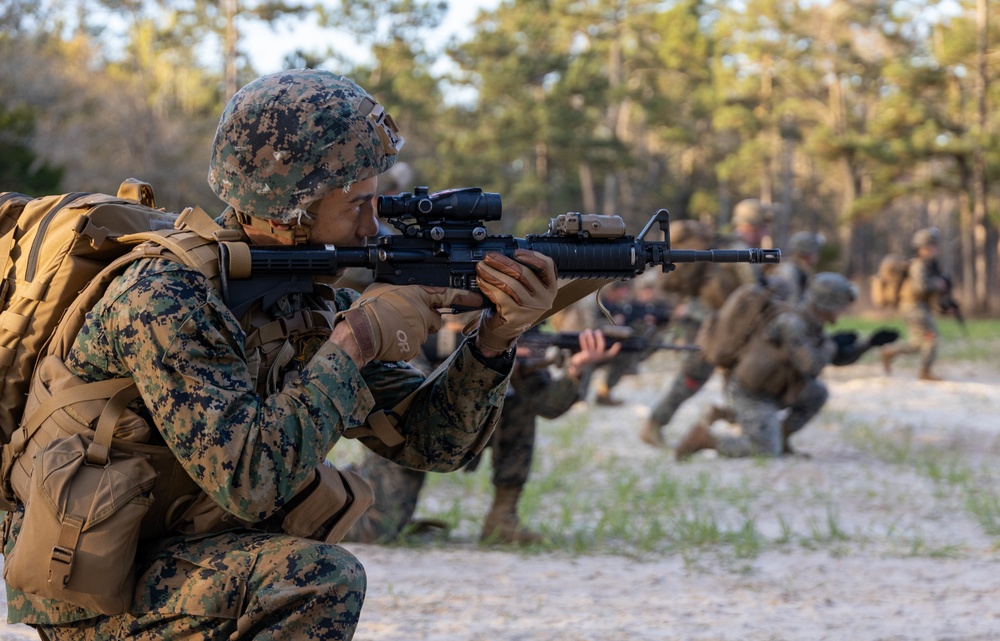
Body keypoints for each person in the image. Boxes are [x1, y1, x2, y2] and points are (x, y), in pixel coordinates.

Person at [4, 69, 558, 640]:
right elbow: (251, 481)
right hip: (98, 584)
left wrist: (494, 340)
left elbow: (434, 442)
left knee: (307, 572)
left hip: (181, 555)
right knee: (315, 578)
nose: (375, 228)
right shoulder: (166, 299)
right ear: (286, 213)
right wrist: (356, 341)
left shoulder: (303, 302)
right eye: (357, 206)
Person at [341, 326, 619, 545]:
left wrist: (575, 369)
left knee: (518, 402)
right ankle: (331, 491)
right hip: (409, 433)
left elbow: (546, 404)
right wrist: (480, 364)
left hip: (466, 426)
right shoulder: (417, 332)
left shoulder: (512, 338)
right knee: (376, 531)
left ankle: (503, 517)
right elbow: (411, 398)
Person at [673, 272, 894, 460]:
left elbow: (832, 359)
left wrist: (868, 344)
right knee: (766, 451)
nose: (844, 311)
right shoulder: (792, 324)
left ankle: (779, 436)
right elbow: (810, 365)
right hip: (751, 393)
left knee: (816, 393)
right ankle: (705, 439)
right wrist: (831, 345)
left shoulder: (811, 324)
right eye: (842, 305)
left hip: (773, 389)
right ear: (828, 304)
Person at [638, 199, 772, 448]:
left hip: (712, 321)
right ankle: (654, 423)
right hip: (707, 323)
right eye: (764, 226)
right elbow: (751, 291)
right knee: (694, 375)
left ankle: (737, 421)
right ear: (752, 225)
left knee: (737, 373)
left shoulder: (725, 244)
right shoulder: (738, 249)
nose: (766, 232)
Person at [878, 227, 949, 381]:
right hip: (914, 307)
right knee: (931, 336)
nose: (935, 249)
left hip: (913, 307)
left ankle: (889, 352)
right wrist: (937, 284)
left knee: (917, 343)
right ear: (924, 248)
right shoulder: (919, 265)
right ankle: (925, 371)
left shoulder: (923, 264)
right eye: (932, 246)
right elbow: (920, 287)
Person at [769, 230, 825, 302]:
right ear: (806, 254)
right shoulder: (788, 271)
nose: (818, 256)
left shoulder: (801, 270)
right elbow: (791, 303)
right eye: (816, 252)